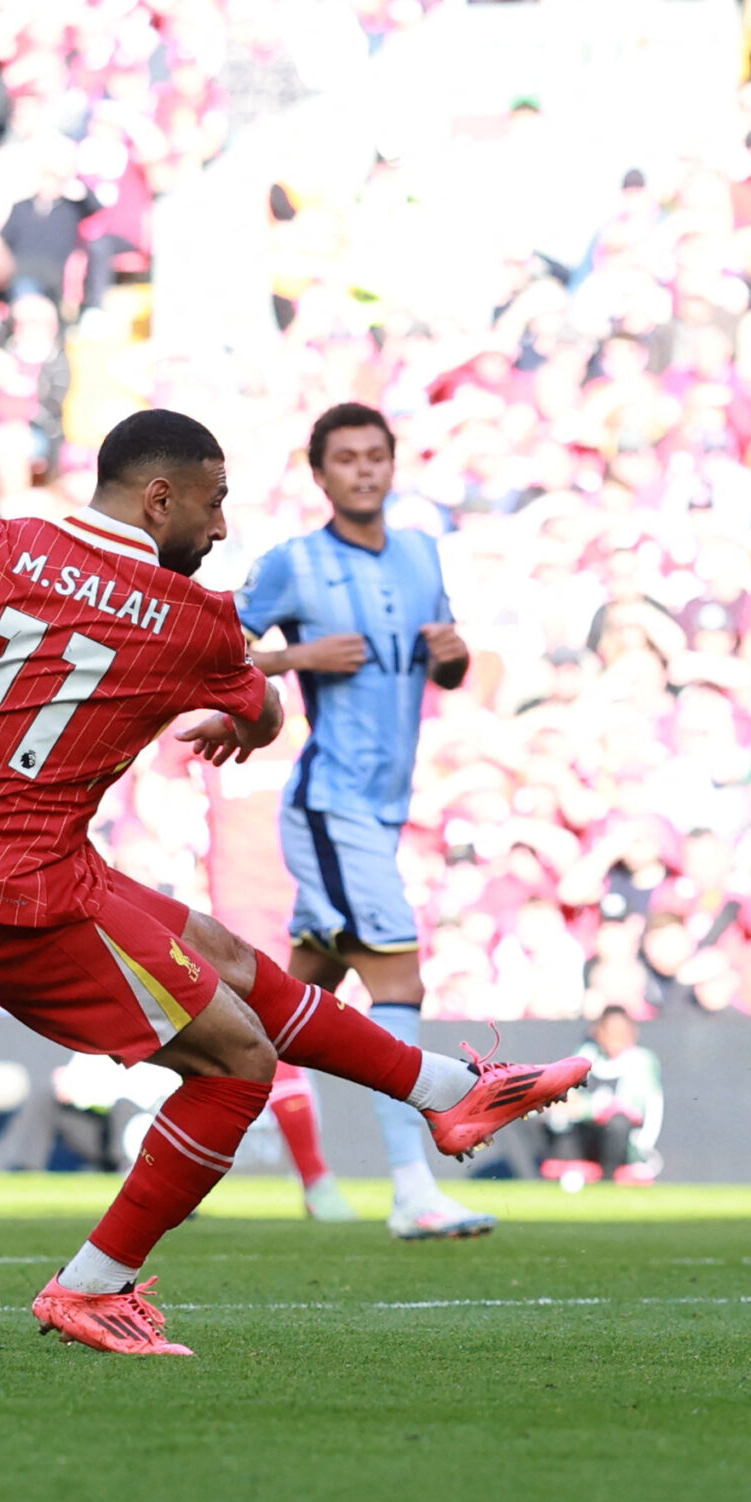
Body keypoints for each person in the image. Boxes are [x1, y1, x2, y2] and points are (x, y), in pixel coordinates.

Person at [0, 408, 588, 1356]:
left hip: (3, 872)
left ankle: (444, 1091)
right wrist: (249, 723)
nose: (222, 527)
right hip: (22, 905)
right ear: (161, 497)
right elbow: (264, 709)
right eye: (214, 502)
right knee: (239, 1067)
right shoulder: (194, 621)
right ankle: (91, 1288)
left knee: (226, 954)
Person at [233, 403, 493, 1239]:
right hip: (331, 804)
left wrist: (452, 661)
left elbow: (441, 670)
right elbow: (218, 648)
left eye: (376, 456)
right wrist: (295, 658)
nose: (364, 470)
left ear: (393, 462)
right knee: (400, 983)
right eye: (346, 459)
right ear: (320, 474)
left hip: (383, 810)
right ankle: (414, 1189)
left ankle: (180, 1121)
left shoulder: (422, 554)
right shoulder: (295, 565)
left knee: (285, 1006)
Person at [539, 1005, 665, 1186]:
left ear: (632, 1032)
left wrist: (586, 1108)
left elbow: (629, 1109)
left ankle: (608, 1181)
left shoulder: (642, 1061)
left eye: (620, 1031)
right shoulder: (587, 1054)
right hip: (586, 1134)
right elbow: (566, 1097)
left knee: (617, 1124)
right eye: (609, 1031)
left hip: (623, 1142)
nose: (615, 1037)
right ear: (598, 1031)